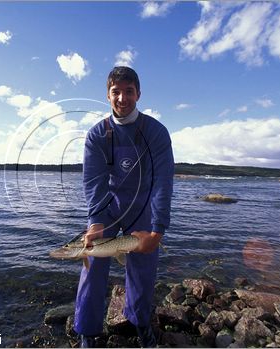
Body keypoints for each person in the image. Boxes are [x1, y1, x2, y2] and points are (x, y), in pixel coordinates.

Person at [74, 66, 174, 347]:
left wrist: (158, 229)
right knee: (93, 262)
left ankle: (141, 324)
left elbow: (163, 182)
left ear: (138, 94)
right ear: (107, 95)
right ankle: (87, 331)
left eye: (128, 91)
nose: (122, 98)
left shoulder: (155, 132)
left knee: (143, 268)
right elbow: (94, 182)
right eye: (116, 92)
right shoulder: (98, 135)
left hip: (142, 207)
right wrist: (95, 221)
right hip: (109, 206)